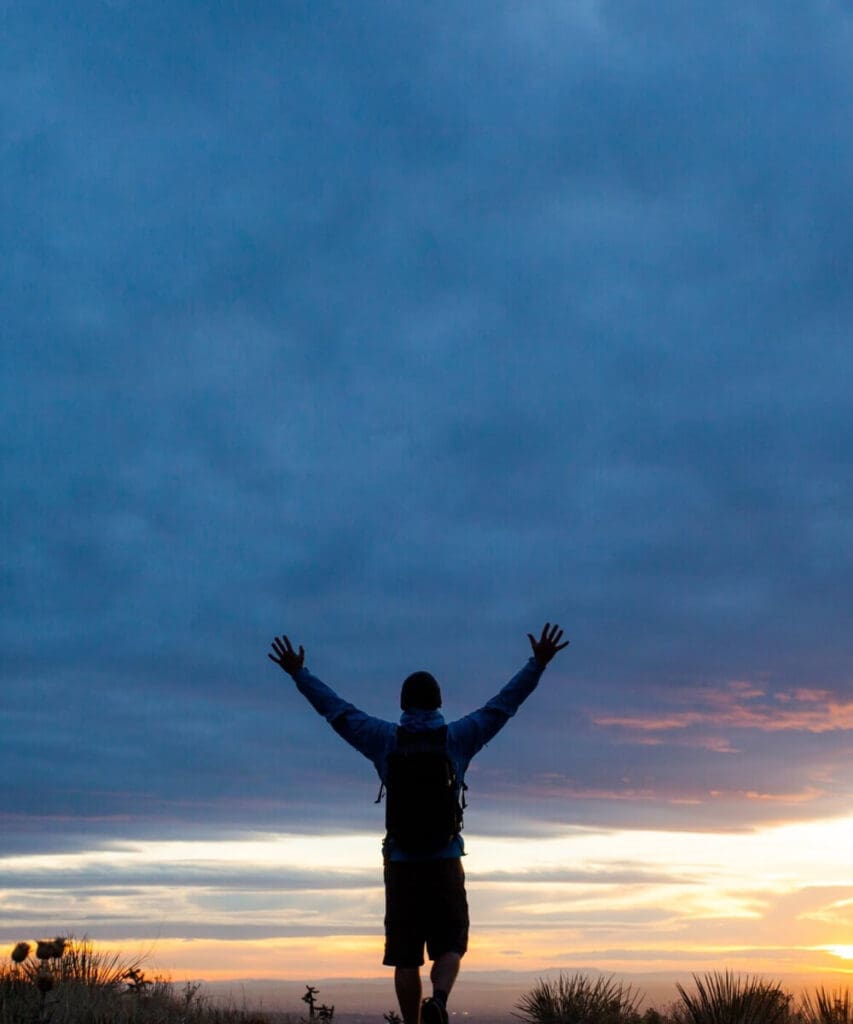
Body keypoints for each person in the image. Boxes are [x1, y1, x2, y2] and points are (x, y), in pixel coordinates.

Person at [267, 623, 569, 1024]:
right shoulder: (458, 738)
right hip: (444, 859)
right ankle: (439, 1002)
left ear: (403, 704)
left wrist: (299, 674)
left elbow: (336, 711)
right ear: (439, 702)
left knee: (405, 956)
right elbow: (503, 706)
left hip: (402, 863)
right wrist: (538, 664)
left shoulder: (383, 740)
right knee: (451, 945)